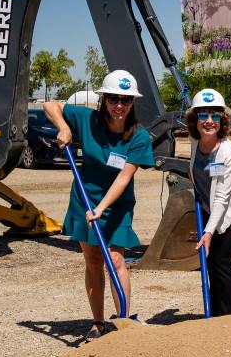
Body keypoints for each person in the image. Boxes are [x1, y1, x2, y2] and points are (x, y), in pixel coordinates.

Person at [44, 70, 154, 340]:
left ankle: (124, 319)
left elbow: (124, 177)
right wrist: (64, 126)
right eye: (114, 99)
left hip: (116, 204)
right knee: (93, 261)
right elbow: (50, 105)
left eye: (126, 100)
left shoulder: (138, 137)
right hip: (84, 198)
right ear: (104, 99)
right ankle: (98, 322)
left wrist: (102, 207)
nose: (120, 106)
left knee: (115, 259)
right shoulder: (87, 119)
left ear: (132, 103)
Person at [187, 89, 231, 316]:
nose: (209, 121)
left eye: (215, 116)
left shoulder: (228, 152)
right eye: (203, 115)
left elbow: (223, 197)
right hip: (210, 208)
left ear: (222, 120)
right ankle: (215, 316)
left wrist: (209, 232)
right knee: (212, 264)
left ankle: (228, 318)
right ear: (194, 119)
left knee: (222, 263)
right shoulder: (195, 143)